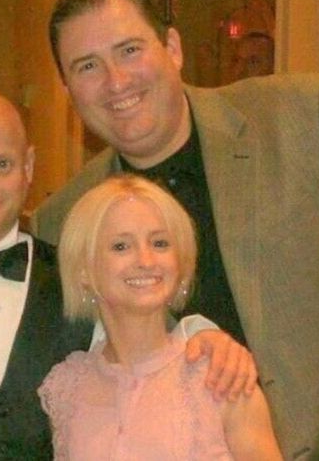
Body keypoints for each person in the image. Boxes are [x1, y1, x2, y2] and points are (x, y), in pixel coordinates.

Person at [0, 0, 319, 458]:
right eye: (88, 66)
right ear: (68, 89)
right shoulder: (66, 219)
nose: (116, 81)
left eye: (130, 50)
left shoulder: (305, 116)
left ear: (173, 47)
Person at [0, 86, 255, 460]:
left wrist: (202, 335)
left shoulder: (85, 280)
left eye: (3, 164)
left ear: (28, 166)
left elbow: (149, 351)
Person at [39, 174, 283, 460]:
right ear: (83, 270)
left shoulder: (221, 378)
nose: (146, 261)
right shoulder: (68, 387)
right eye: (121, 246)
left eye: (160, 243)